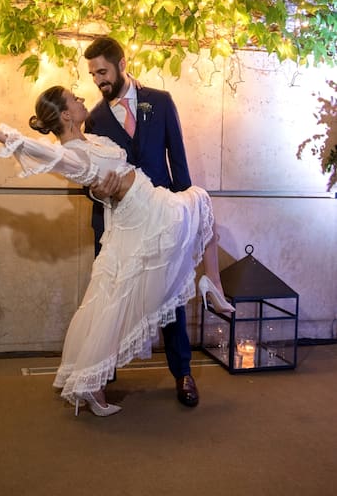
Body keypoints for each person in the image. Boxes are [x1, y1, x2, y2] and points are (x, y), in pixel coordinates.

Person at [0, 86, 234, 418]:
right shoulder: (69, 153)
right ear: (66, 114)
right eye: (75, 99)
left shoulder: (93, 139)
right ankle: (210, 285)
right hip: (144, 213)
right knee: (196, 209)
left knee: (122, 287)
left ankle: (210, 285)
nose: (83, 99)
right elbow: (31, 147)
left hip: (142, 206)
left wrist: (104, 190)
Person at [83, 36, 200, 408]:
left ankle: (183, 373)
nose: (98, 80)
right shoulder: (95, 118)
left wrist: (187, 209)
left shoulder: (161, 102)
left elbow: (177, 160)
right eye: (92, 74)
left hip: (162, 216)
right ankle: (101, 377)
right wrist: (100, 192)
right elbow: (89, 179)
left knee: (172, 297)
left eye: (102, 71)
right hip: (120, 224)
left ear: (121, 63)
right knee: (111, 301)